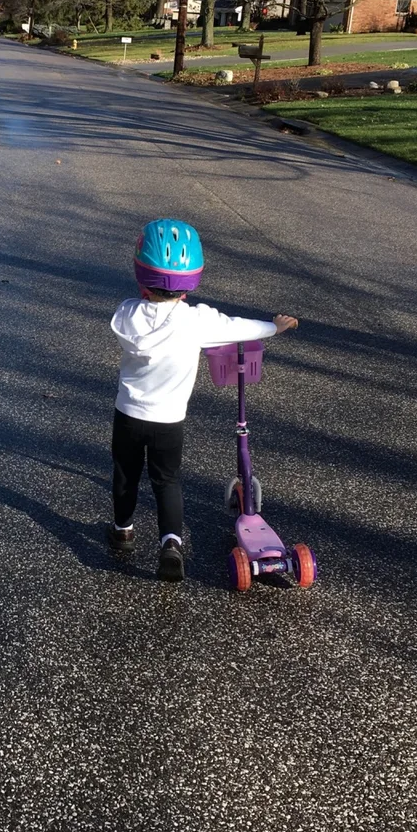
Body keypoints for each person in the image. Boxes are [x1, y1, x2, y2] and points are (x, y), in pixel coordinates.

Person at [108, 218, 299, 582]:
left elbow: (131, 312)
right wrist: (275, 326)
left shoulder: (126, 314)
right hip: (170, 421)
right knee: (167, 480)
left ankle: (123, 530)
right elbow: (240, 327)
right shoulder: (197, 321)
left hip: (129, 415)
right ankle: (171, 544)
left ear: (140, 276)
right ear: (190, 282)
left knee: (126, 475)